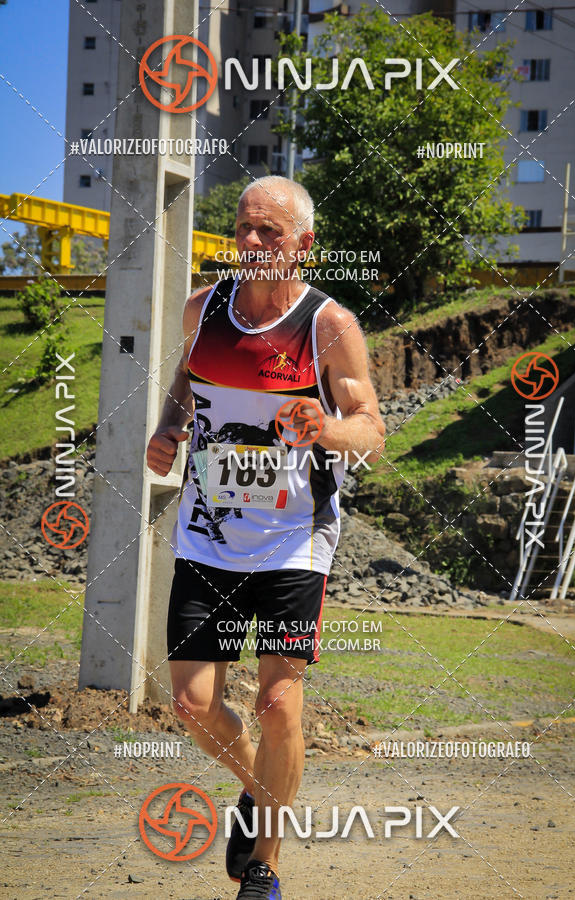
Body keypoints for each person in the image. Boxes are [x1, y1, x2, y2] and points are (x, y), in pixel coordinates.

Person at [146, 175, 385, 899]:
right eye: (243, 229)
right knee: (189, 702)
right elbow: (188, 380)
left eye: (269, 233)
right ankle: (259, 791)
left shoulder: (328, 327)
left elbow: (370, 430)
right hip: (208, 535)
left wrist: (326, 427)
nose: (249, 244)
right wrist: (168, 426)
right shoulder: (202, 308)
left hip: (292, 536)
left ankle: (265, 868)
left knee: (280, 703)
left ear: (304, 246)